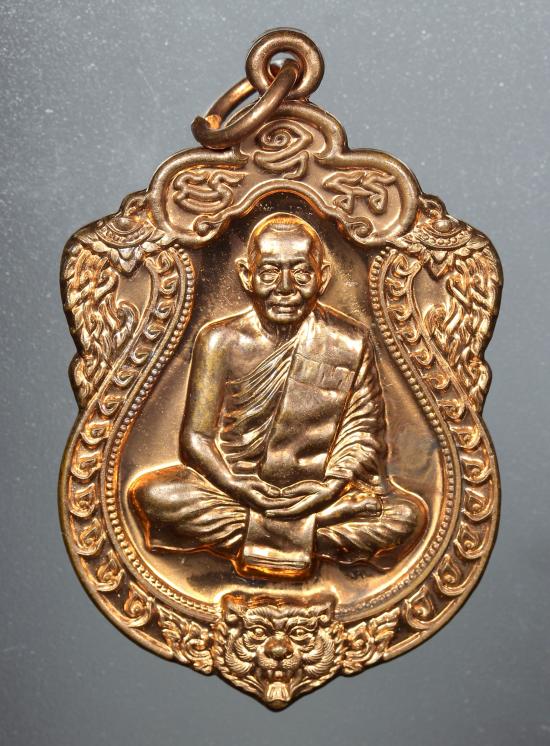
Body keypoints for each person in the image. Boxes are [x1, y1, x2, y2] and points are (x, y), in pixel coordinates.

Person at [130, 213, 425, 577]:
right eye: (269, 272)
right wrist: (238, 486)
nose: (285, 287)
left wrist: (330, 489)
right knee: (153, 495)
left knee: (406, 516)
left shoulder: (349, 342)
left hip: (319, 491)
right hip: (235, 488)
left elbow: (363, 434)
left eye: (301, 273)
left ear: (322, 277)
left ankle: (277, 530)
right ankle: (315, 530)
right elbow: (196, 438)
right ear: (246, 275)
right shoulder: (220, 340)